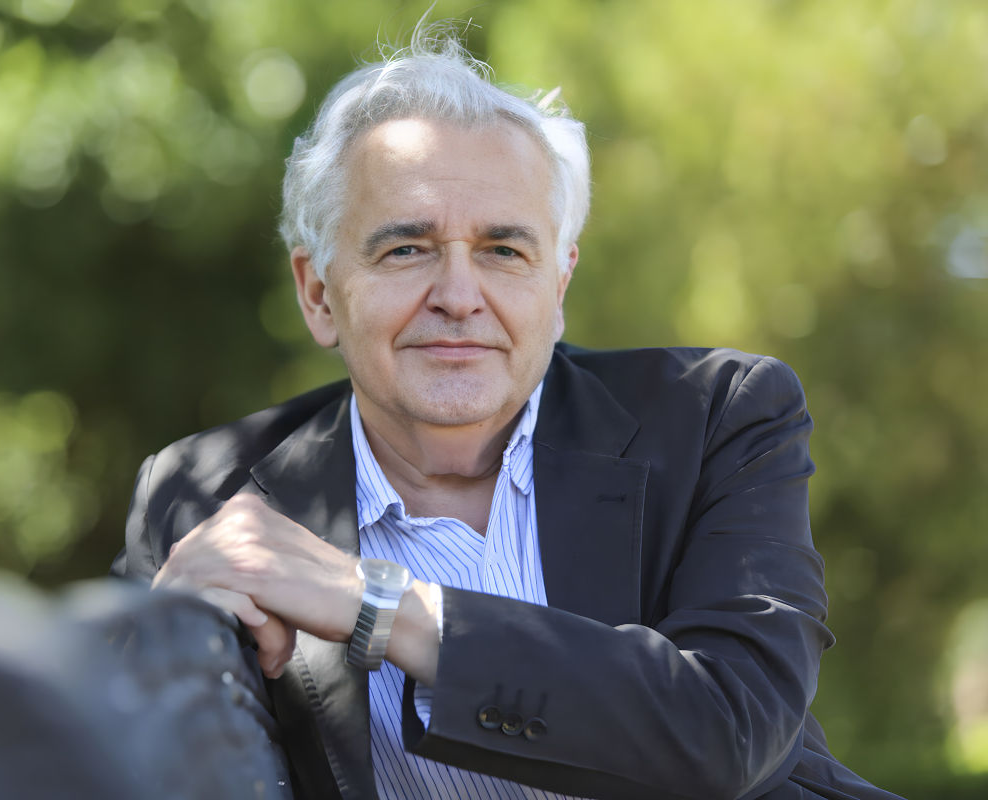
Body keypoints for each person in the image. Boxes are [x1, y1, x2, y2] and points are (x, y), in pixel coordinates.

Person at [112, 27, 904, 800]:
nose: (459, 297)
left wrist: (378, 606)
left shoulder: (717, 417)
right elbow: (146, 755)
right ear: (318, 293)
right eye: (406, 249)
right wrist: (159, 658)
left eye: (504, 251)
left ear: (557, 287)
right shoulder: (206, 497)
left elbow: (730, 729)